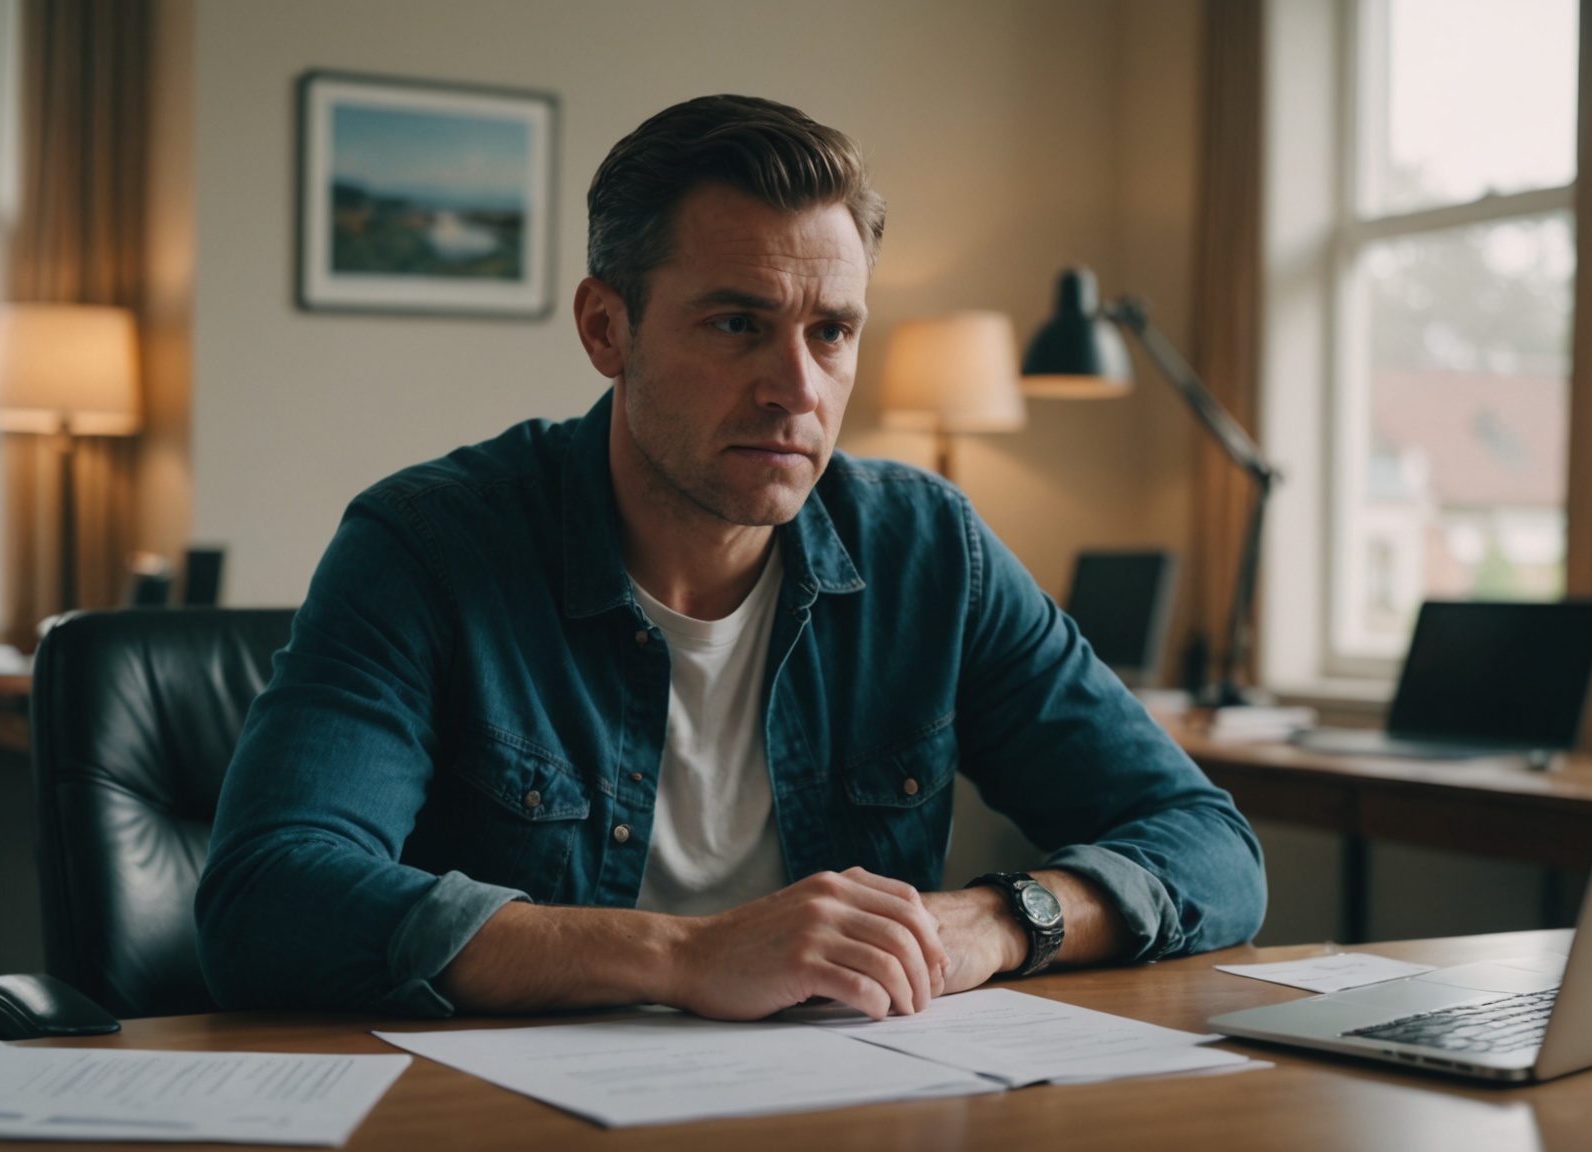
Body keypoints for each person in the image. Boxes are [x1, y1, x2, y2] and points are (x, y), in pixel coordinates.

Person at [196, 94, 1264, 1023]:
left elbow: (1206, 846)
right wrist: (685, 955)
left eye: (832, 333)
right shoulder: (427, 549)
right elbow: (270, 898)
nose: (796, 388)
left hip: (845, 1102)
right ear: (606, 329)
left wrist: (991, 922)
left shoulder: (930, 549)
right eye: (736, 324)